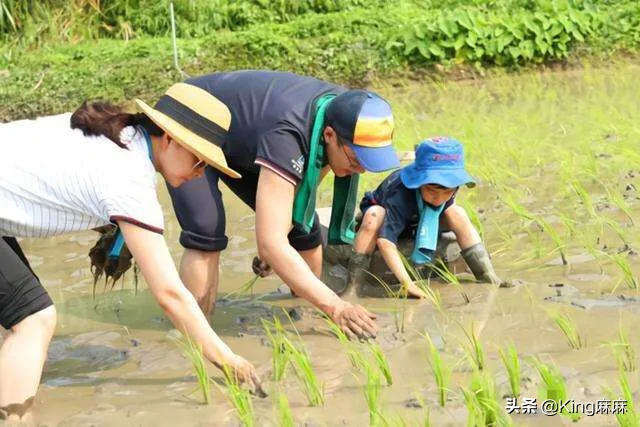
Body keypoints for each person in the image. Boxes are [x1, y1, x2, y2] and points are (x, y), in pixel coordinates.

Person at [0, 84, 262, 422]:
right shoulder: (130, 178)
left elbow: (53, 183)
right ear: (168, 139)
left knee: (17, 320)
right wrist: (230, 362)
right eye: (199, 161)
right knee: (33, 320)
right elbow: (170, 295)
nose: (200, 174)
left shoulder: (116, 133)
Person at [147, 70, 400, 340]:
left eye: (367, 161)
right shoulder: (289, 134)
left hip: (245, 139)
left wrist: (275, 246)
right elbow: (271, 242)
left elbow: (303, 193)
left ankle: (304, 320)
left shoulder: (344, 112)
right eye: (355, 159)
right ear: (329, 135)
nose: (359, 168)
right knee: (206, 229)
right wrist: (336, 305)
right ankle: (196, 336)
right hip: (192, 121)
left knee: (304, 230)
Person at [335, 137, 505, 298]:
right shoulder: (399, 194)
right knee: (374, 215)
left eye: (447, 192)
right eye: (432, 191)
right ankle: (354, 286)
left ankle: (487, 276)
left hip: (420, 219)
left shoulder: (448, 190)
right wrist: (407, 284)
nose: (439, 198)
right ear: (418, 182)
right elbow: (385, 242)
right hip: (389, 216)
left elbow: (446, 204)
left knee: (457, 213)